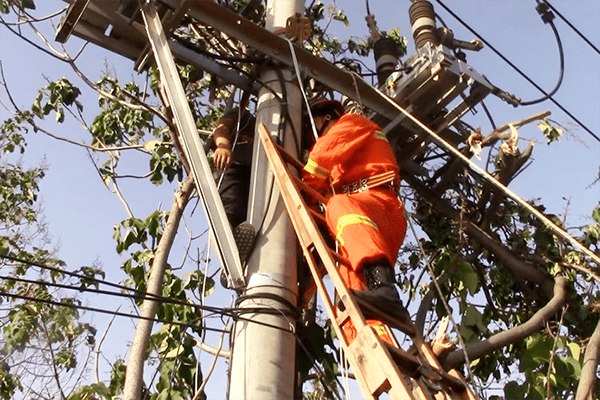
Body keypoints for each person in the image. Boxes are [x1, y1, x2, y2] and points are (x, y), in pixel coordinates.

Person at [302, 100, 412, 341]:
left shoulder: (351, 123)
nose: (313, 135)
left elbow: (320, 158)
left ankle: (385, 290)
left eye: (316, 126)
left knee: (338, 204)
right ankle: (380, 355)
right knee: (349, 297)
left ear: (330, 117)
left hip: (379, 204)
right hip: (366, 223)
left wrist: (303, 187)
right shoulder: (346, 155)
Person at [206, 107, 256, 265]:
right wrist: (223, 146)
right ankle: (228, 264)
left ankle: (241, 258)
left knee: (247, 225)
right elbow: (222, 128)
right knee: (226, 216)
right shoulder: (243, 115)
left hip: (258, 180)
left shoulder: (286, 127)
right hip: (235, 169)